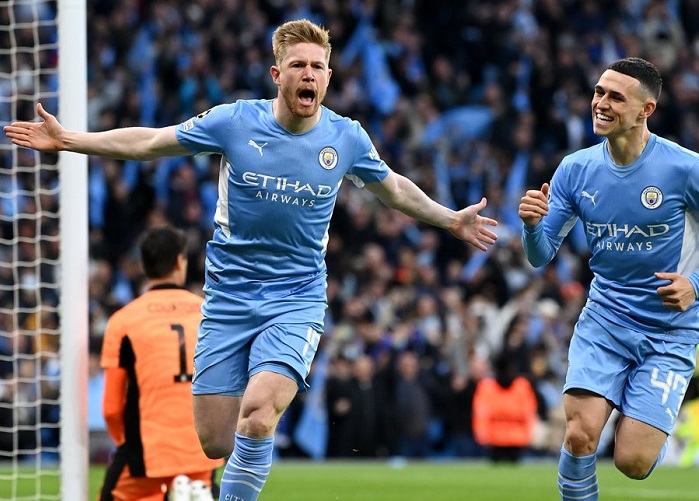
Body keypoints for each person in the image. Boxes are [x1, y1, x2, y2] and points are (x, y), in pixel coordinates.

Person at [4, 19, 498, 501]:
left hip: (297, 297)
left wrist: (448, 219)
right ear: (276, 74)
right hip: (227, 298)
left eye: (318, 67)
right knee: (216, 441)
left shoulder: (346, 137)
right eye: (298, 65)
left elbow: (392, 189)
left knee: (259, 415)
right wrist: (71, 140)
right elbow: (152, 142)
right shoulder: (235, 122)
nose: (309, 74)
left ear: (328, 76)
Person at [518, 56, 699, 501]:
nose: (600, 103)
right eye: (599, 92)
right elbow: (540, 256)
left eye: (616, 97)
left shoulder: (684, 169)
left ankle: (644, 419)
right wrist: (530, 226)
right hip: (606, 320)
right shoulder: (576, 169)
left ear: (646, 110)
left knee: (633, 463)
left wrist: (695, 286)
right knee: (580, 434)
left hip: (670, 330)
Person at [98, 226, 222, 501]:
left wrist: (127, 443)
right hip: (201, 449)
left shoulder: (124, 320)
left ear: (144, 264)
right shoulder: (208, 313)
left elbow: (111, 408)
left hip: (148, 451)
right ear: (180, 261)